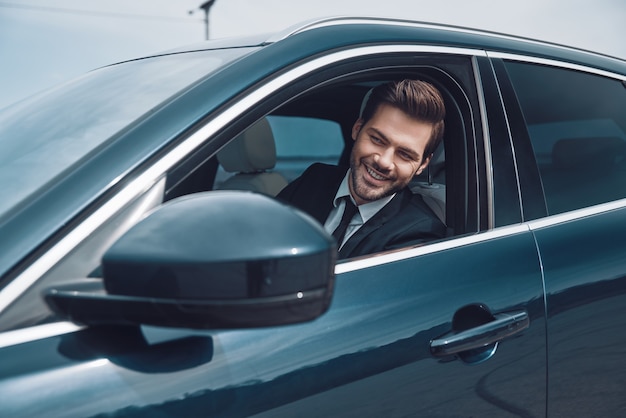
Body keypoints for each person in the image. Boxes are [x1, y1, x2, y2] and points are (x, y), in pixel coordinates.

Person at [277, 79, 447, 259]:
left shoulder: (420, 233)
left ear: (423, 164)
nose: (384, 162)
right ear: (357, 129)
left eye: (405, 154)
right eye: (377, 140)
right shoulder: (314, 179)